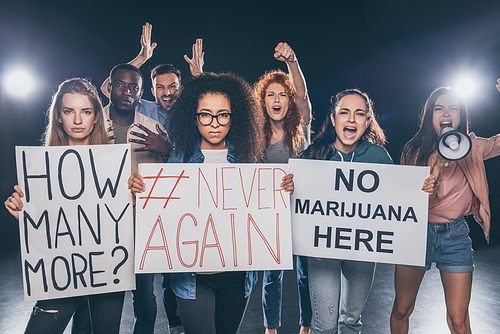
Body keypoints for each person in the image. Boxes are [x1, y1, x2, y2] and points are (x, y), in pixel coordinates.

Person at [129, 72, 295, 334]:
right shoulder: (178, 161)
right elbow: (164, 213)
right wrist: (142, 189)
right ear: (193, 118)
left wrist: (283, 189)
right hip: (192, 280)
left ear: (234, 117)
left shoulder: (248, 161)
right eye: (205, 114)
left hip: (237, 278)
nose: (214, 123)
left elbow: (261, 211)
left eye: (223, 115)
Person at [102, 26, 203, 333]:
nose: (167, 92)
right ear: (152, 90)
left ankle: (177, 324)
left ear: (181, 88)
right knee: (144, 286)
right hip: (141, 203)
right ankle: (171, 325)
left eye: (173, 86)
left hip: (180, 201)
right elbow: (113, 86)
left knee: (175, 274)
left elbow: (202, 149)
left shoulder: (192, 111)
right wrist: (141, 59)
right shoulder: (142, 107)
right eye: (161, 87)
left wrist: (200, 77)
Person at [4, 78, 124, 334]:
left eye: (86, 111)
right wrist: (24, 217)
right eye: (69, 111)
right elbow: (42, 236)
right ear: (58, 116)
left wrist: (135, 193)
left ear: (96, 117)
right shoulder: (38, 168)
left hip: (106, 267)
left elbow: (121, 223)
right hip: (62, 269)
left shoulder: (115, 166)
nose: (78, 120)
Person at [390, 84, 500, 334]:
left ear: (461, 117)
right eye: (439, 109)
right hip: (416, 234)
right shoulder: (414, 151)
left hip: (456, 237)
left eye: (453, 109)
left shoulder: (473, 147)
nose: (446, 114)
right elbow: (411, 207)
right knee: (402, 310)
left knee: (458, 321)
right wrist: (437, 167)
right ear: (430, 116)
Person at [301, 88, 393, 334]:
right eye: (345, 112)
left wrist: (420, 190)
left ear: (367, 121)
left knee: (351, 321)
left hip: (363, 248)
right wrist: (289, 186)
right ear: (333, 119)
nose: (351, 119)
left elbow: (397, 200)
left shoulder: (378, 156)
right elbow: (298, 200)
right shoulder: (314, 155)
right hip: (322, 250)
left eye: (359, 113)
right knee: (324, 326)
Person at [253, 42, 312, 334]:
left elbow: (302, 94)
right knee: (272, 275)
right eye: (270, 95)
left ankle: (307, 325)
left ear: (289, 102)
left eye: (282, 95)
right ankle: (271, 328)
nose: (277, 99)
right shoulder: (256, 137)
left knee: (305, 274)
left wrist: (293, 61)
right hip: (272, 216)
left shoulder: (302, 127)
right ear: (263, 101)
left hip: (303, 213)